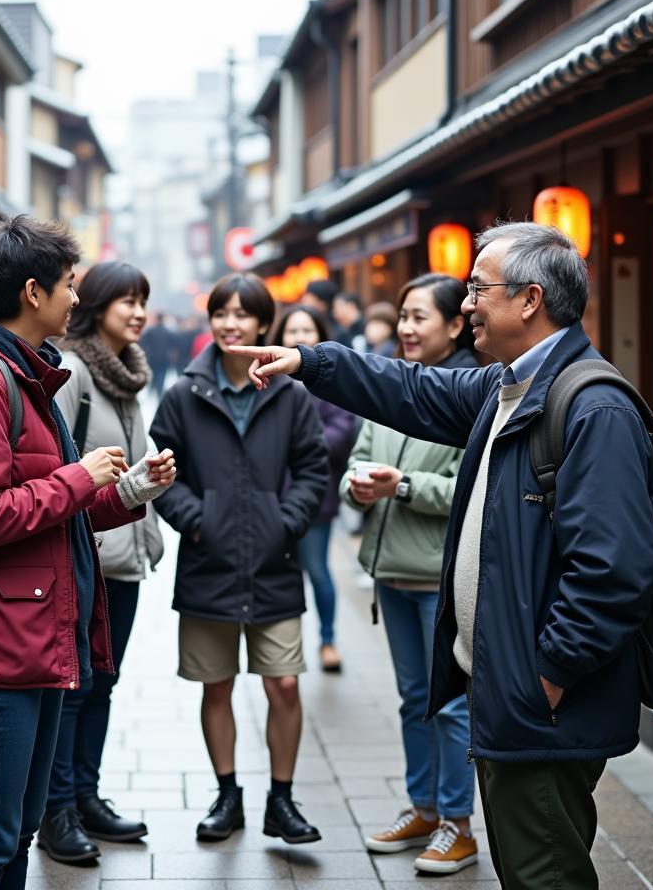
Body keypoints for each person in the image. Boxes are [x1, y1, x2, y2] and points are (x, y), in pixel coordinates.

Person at [229, 222, 653, 890]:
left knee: (544, 868)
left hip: (541, 700)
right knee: (528, 863)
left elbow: (613, 573)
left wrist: (544, 677)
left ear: (530, 299)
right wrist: (313, 363)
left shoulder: (591, 406)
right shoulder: (505, 385)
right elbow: (410, 390)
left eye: (477, 289)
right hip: (513, 688)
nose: (466, 306)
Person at [0, 215, 176, 890]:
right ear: (33, 293)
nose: (75, 299)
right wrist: (76, 476)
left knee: (13, 836)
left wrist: (126, 490)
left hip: (31, 636)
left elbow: (51, 509)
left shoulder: (25, 373)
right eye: (68, 285)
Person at [150, 274, 328, 845]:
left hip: (274, 562)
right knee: (217, 685)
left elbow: (313, 470)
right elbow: (160, 476)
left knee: (284, 686)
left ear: (262, 324)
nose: (231, 323)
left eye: (243, 314)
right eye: (221, 313)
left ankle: (282, 798)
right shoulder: (184, 393)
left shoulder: (291, 394)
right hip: (210, 563)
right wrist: (199, 521)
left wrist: (286, 520)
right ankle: (227, 795)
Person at [343, 275, 479, 874]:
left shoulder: (470, 395)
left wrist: (401, 485)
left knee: (450, 705)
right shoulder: (394, 389)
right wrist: (358, 484)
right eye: (402, 315)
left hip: (441, 579)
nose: (406, 328)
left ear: (455, 325)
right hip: (390, 572)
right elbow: (358, 457)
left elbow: (473, 491)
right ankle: (422, 807)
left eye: (419, 316)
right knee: (412, 700)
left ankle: (458, 822)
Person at [41, 262, 166, 864]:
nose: (138, 312)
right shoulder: (73, 373)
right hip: (84, 553)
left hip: (123, 555)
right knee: (74, 685)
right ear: (95, 305)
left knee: (104, 683)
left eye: (143, 301)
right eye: (126, 301)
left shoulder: (127, 375)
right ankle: (57, 810)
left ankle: (85, 797)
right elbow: (54, 466)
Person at [271, 305, 356, 673]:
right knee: (281, 573)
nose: (300, 337)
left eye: (307, 330)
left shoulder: (331, 380)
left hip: (315, 496)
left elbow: (342, 430)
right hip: (271, 498)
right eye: (292, 331)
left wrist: (300, 446)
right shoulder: (269, 379)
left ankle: (326, 639)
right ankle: (284, 642)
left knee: (318, 571)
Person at [139, 312, 173, 398]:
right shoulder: (168, 332)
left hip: (152, 358)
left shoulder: (151, 331)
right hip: (164, 359)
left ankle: (151, 391)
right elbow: (173, 345)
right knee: (161, 377)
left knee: (152, 376)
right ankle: (159, 392)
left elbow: (142, 341)